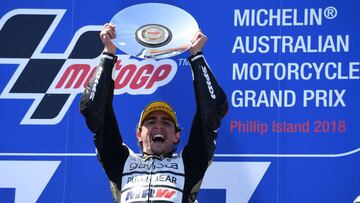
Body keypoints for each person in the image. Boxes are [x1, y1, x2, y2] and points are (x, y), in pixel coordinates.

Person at [80, 23, 228, 203]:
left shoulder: (190, 164)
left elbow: (213, 109)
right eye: (150, 122)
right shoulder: (120, 162)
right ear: (138, 134)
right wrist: (108, 52)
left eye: (166, 122)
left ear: (176, 136)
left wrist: (196, 55)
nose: (158, 125)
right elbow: (94, 110)